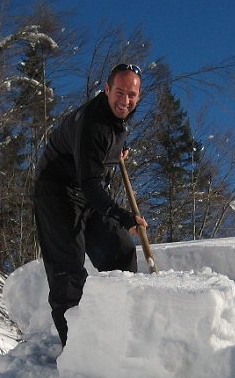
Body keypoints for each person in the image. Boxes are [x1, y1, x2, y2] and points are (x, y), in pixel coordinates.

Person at [33, 63, 148, 346]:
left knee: (119, 251)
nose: (125, 100)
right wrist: (125, 216)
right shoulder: (92, 124)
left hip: (87, 191)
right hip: (57, 191)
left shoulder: (116, 119)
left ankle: (116, 327)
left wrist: (115, 152)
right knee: (68, 271)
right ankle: (76, 351)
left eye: (131, 95)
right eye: (119, 92)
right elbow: (91, 183)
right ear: (107, 89)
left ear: (139, 96)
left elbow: (101, 151)